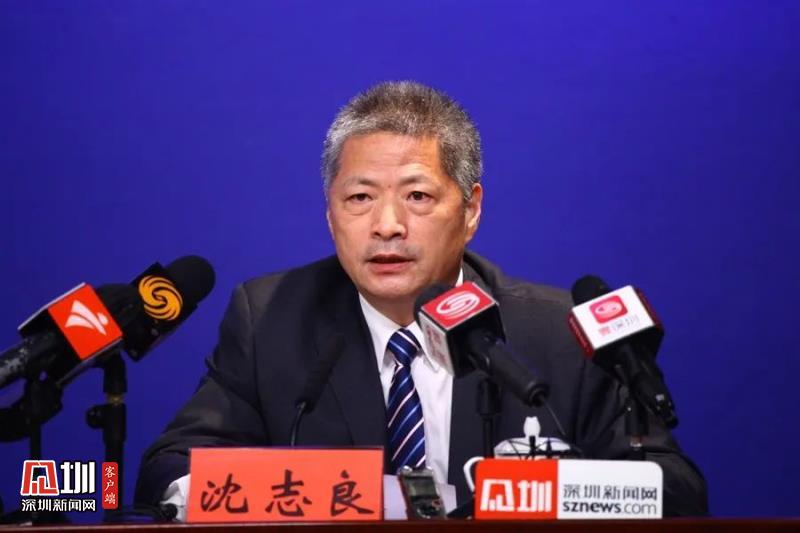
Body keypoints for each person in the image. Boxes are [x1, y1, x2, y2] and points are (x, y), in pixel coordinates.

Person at [135, 81, 708, 516]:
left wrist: (540, 493)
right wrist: (306, 495)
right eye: (359, 198)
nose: (387, 225)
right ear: (329, 213)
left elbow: (676, 490)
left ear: (472, 210)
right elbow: (168, 471)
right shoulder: (272, 319)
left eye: (417, 196)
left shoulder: (556, 334)